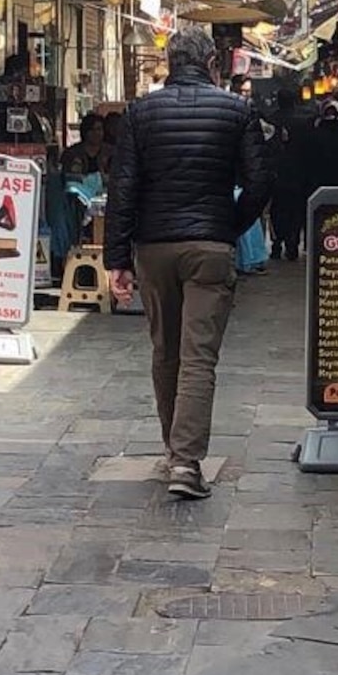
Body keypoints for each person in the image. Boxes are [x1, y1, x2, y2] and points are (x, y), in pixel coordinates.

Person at [107, 28, 272, 499]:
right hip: (209, 246)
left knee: (166, 351)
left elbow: (123, 188)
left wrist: (117, 257)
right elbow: (260, 183)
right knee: (199, 356)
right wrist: (228, 226)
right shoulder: (237, 111)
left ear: (170, 60)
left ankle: (172, 451)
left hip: (154, 245)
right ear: (211, 62)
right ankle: (186, 462)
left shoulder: (140, 112)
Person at [270, 100, 315, 262]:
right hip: (299, 174)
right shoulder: (304, 122)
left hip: (277, 173)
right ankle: (292, 245)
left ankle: (276, 244)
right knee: (295, 211)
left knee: (277, 211)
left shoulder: (271, 120)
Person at [62, 114, 110, 178]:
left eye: (99, 129)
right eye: (91, 130)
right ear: (85, 131)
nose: (96, 133)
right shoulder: (71, 153)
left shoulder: (111, 153)